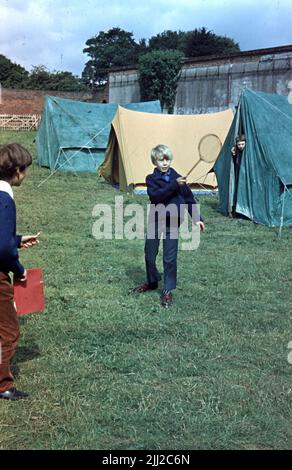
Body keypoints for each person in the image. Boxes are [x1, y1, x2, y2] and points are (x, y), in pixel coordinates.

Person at [131, 144, 205, 307]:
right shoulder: (151, 179)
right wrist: (174, 184)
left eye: (167, 159)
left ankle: (167, 290)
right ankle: (152, 282)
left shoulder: (179, 178)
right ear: (154, 161)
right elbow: (156, 196)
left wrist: (197, 218)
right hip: (155, 220)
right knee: (149, 253)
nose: (164, 163)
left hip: (173, 220)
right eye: (160, 160)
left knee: (169, 258)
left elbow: (189, 200)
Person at [0, 143, 40, 400]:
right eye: (24, 170)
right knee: (9, 331)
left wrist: (17, 239)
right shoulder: (5, 198)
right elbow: (2, 249)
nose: (25, 175)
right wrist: (20, 269)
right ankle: (3, 385)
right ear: (16, 171)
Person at [230, 134, 246, 216]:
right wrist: (234, 155)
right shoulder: (237, 152)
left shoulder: (247, 153)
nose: (241, 146)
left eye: (242, 144)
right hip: (239, 174)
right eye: (239, 144)